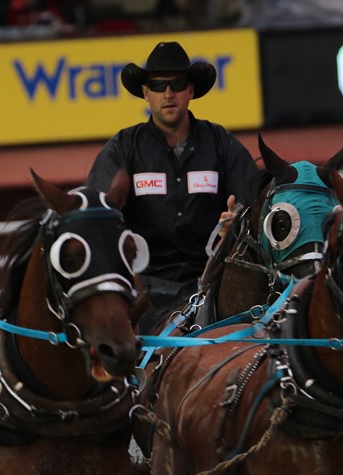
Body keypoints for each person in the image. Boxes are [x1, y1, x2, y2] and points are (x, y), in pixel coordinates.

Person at [86, 41, 258, 332]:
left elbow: (254, 204)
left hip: (212, 282)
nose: (168, 94)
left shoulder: (221, 143)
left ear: (190, 91)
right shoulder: (123, 148)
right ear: (145, 92)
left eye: (177, 84)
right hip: (143, 286)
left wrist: (237, 221)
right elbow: (96, 214)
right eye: (158, 85)